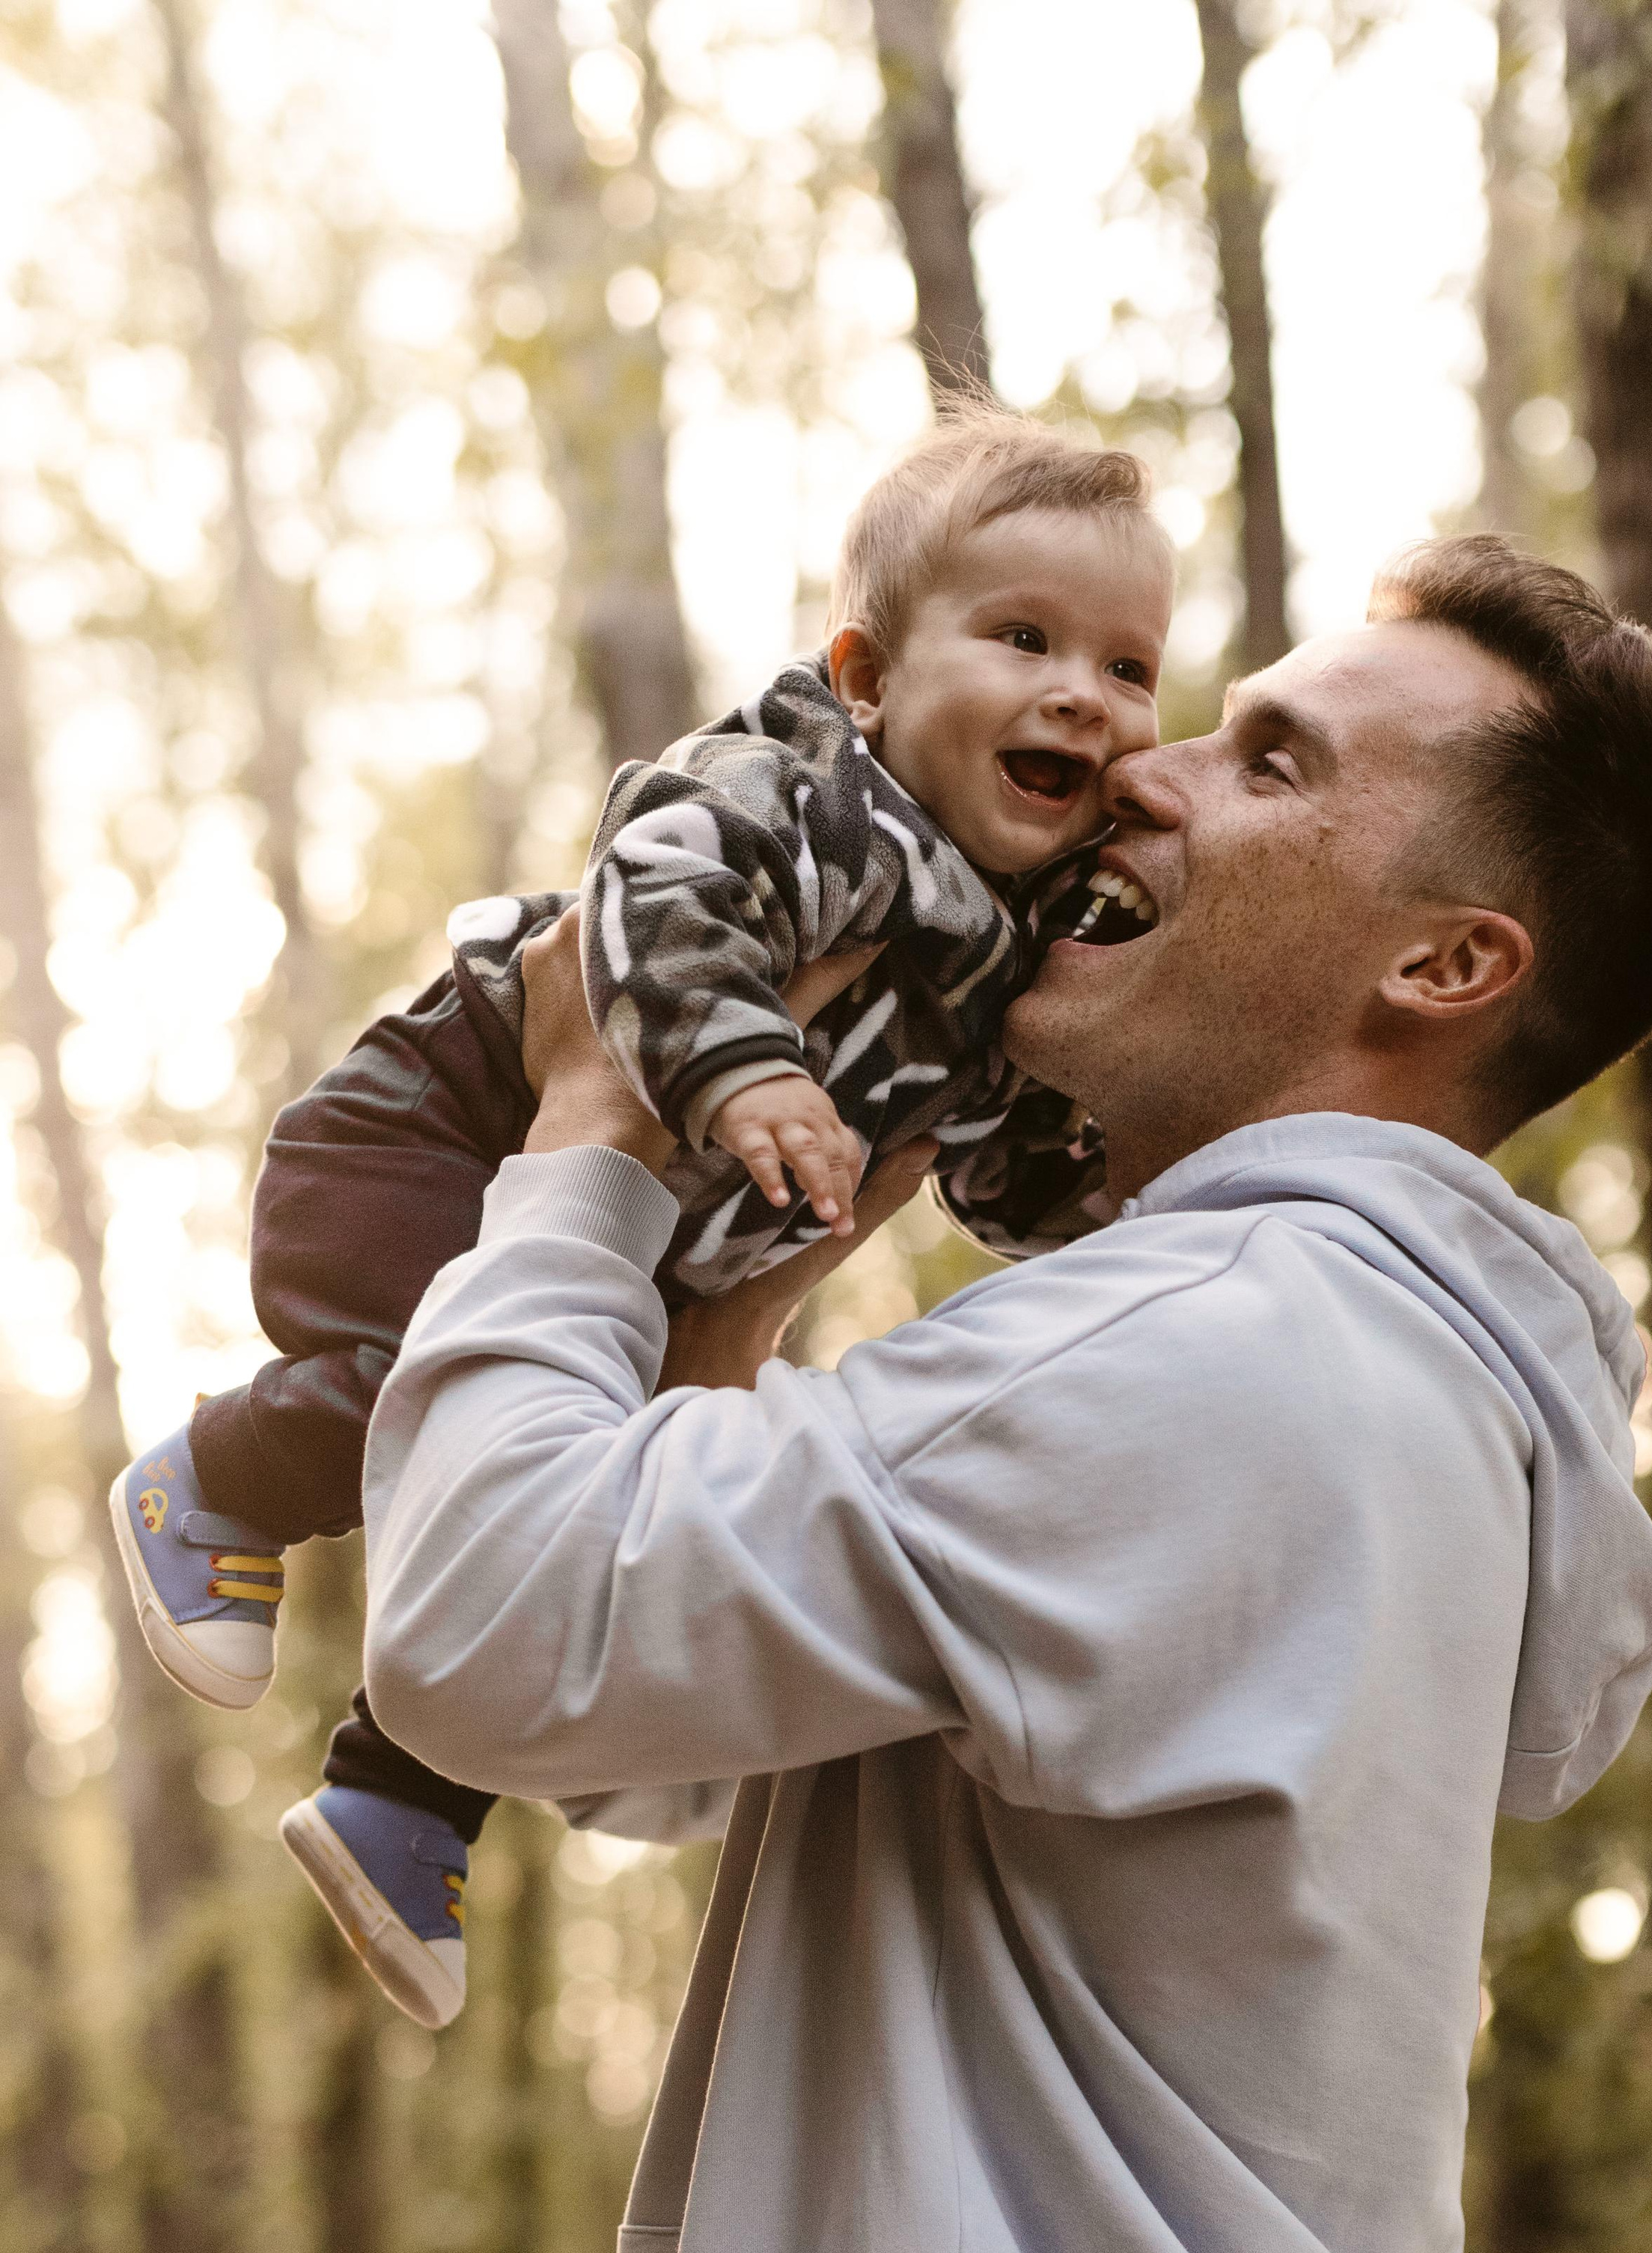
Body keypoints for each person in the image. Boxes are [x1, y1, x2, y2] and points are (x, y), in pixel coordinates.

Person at [360, 537, 1652, 2253]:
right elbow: (650, 1742)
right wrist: (753, 1295)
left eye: (1271, 759)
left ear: (1443, 965)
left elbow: (489, 1625)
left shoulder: (1205, 1352)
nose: (1142, 768)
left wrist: (590, 1133)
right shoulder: (1367, 1385)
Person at [109, 406, 1172, 2031]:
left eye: (1128, 666)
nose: (1082, 695)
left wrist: (1113, 1206)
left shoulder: (1016, 954)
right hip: (441, 1129)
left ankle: (396, 1805)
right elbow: (659, 883)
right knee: (434, 1389)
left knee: (554, 1501)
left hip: (622, 1256)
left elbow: (997, 1162)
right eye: (1022, 638)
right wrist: (744, 1066)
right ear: (868, 676)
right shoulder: (813, 794)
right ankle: (214, 1478)